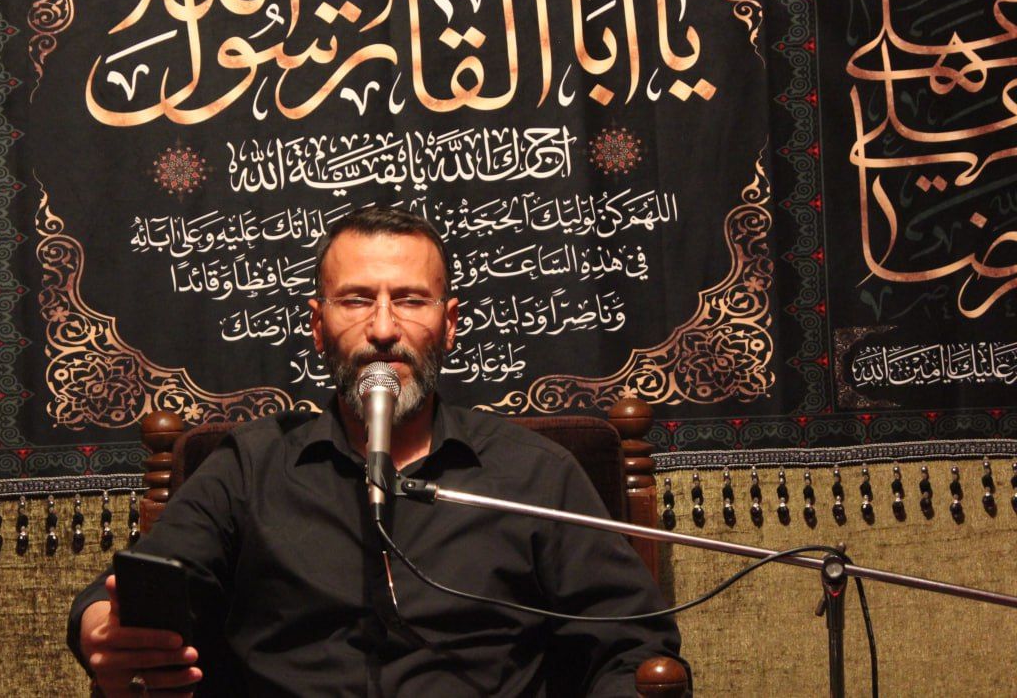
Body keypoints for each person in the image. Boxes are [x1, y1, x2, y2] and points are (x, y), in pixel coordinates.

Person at [69, 206, 685, 696]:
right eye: (357, 300)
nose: (384, 329)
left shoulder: (535, 474)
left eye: (411, 300)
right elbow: (133, 590)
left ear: (449, 323)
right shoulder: (250, 467)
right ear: (318, 325)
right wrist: (104, 628)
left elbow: (634, 646)